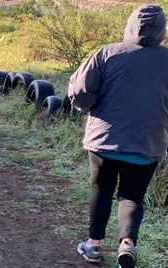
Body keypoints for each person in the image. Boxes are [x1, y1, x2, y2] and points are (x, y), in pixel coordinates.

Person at [67, 4, 168, 268]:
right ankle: (127, 244)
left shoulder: (106, 53)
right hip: (147, 143)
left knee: (101, 189)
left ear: (130, 24)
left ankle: (93, 246)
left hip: (104, 140)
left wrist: (91, 105)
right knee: (132, 196)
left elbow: (79, 92)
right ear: (161, 29)